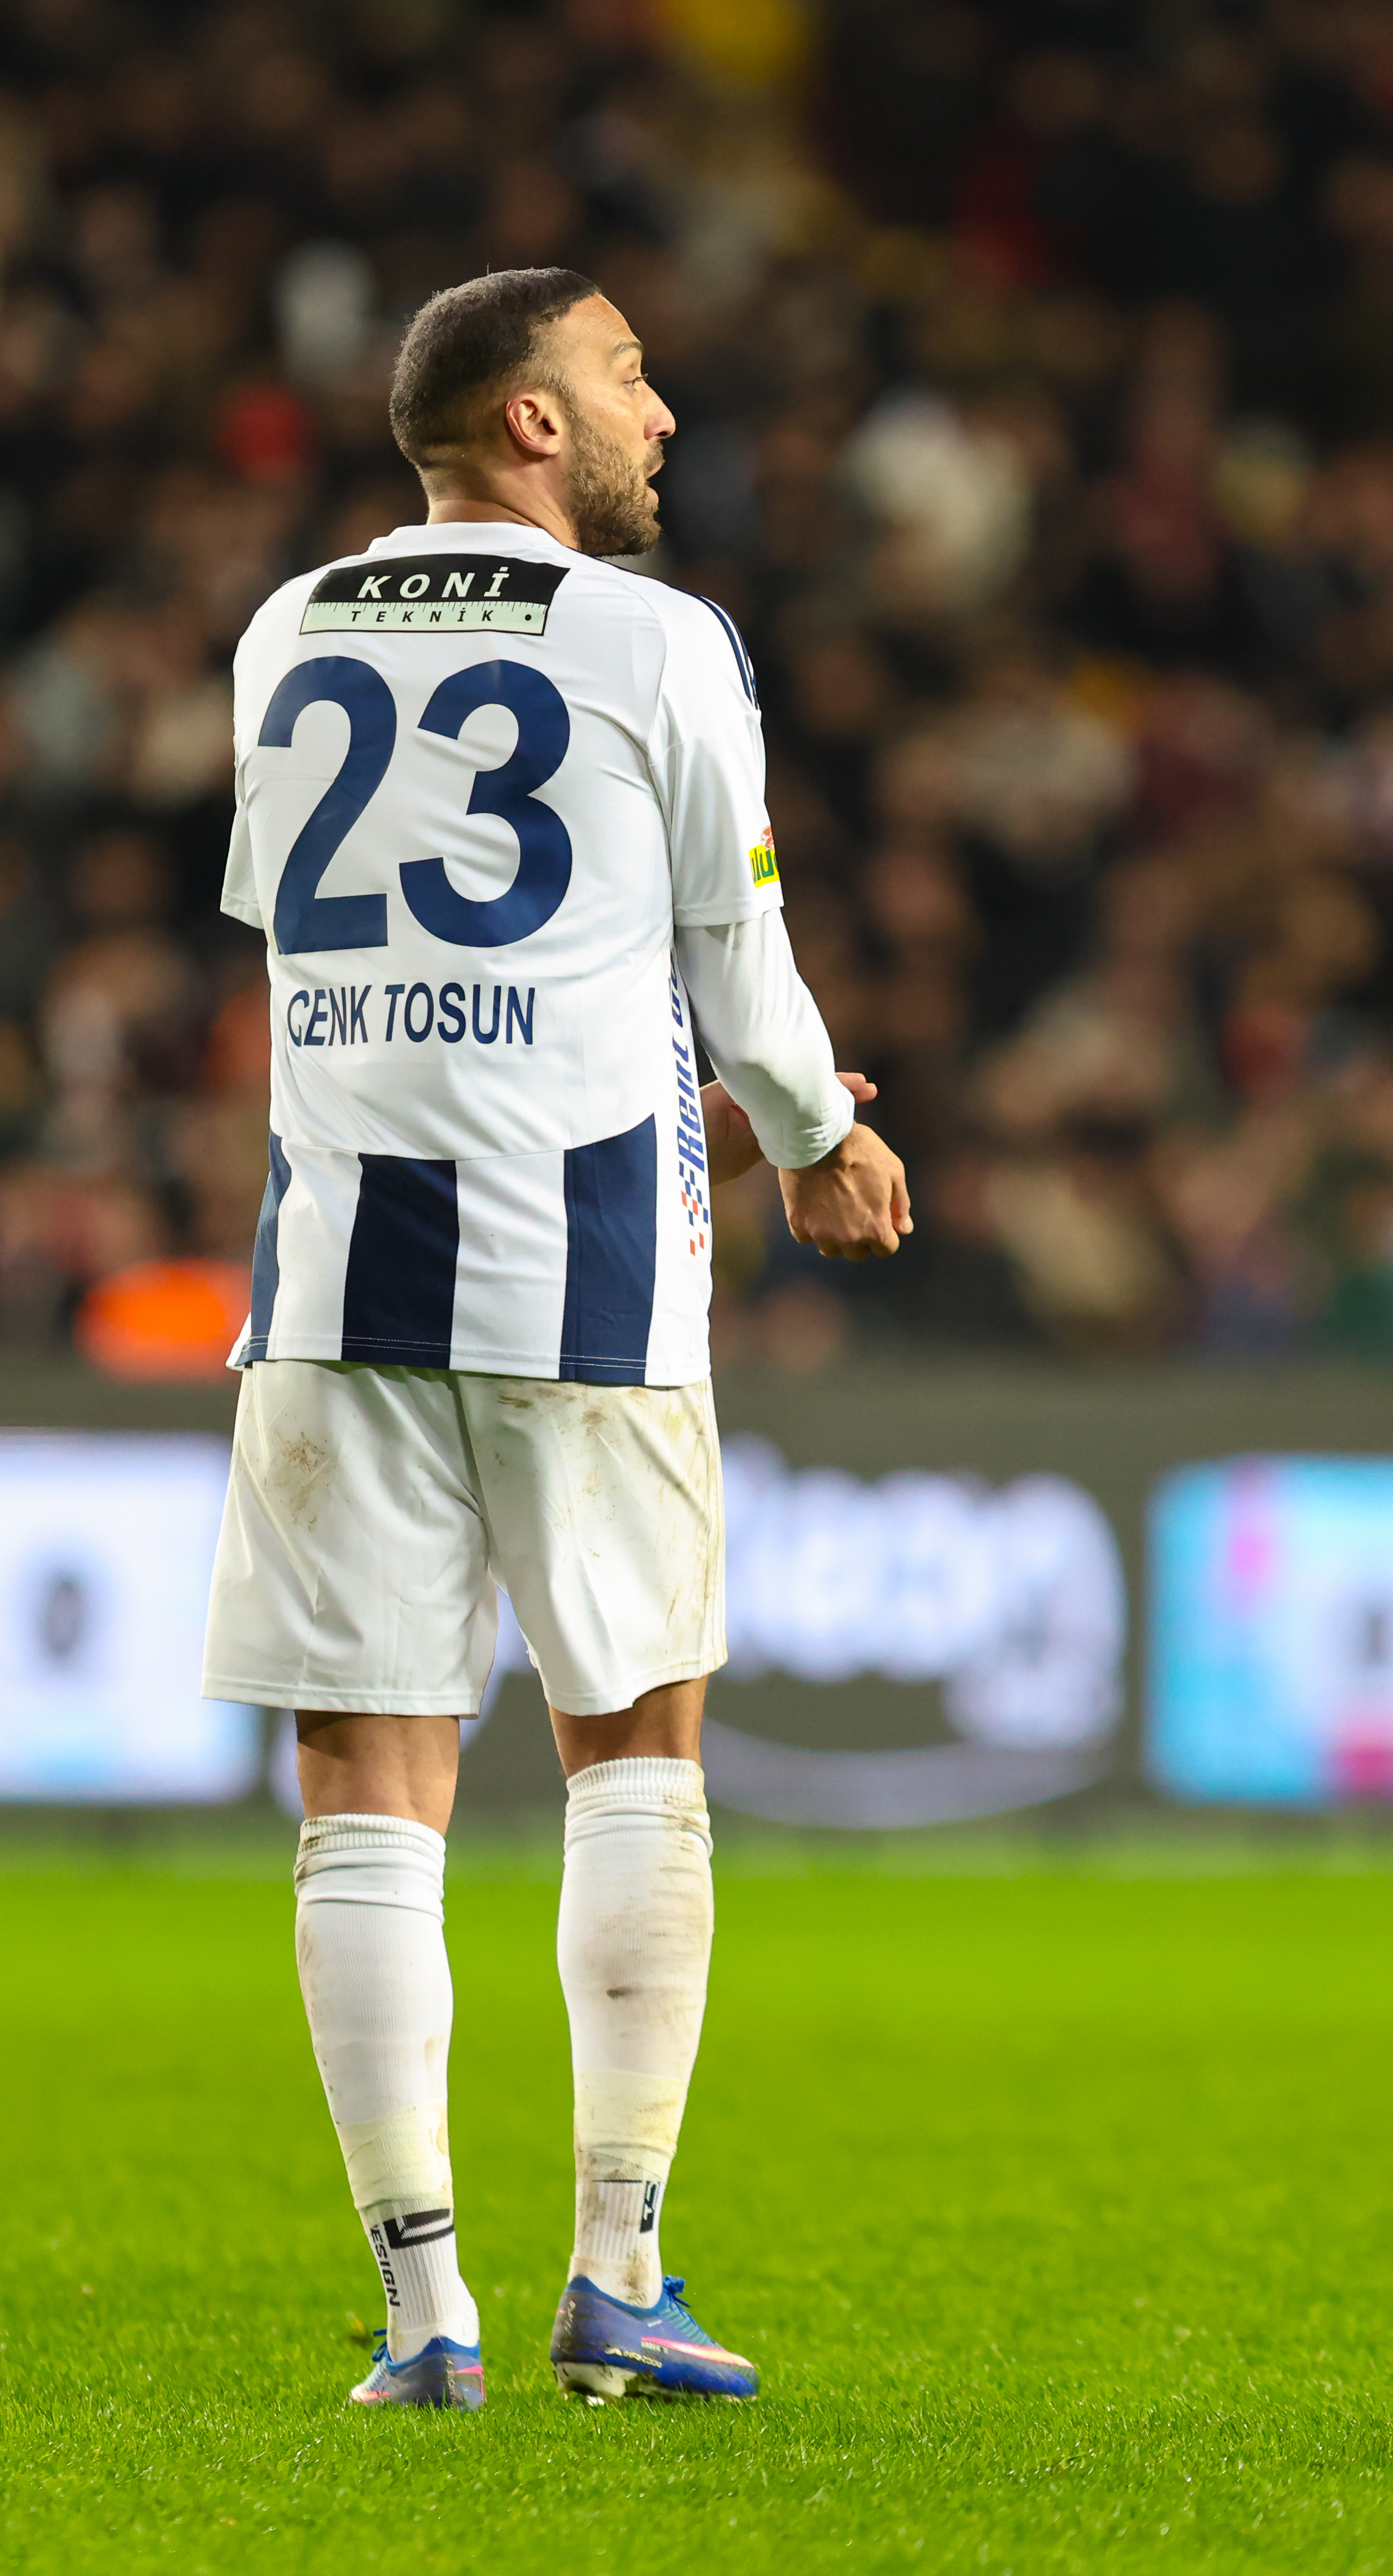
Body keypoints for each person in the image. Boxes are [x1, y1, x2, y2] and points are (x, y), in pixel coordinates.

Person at [200, 267, 910, 2411]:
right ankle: (617, 2270)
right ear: (530, 421)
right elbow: (734, 953)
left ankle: (421, 2311)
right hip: (579, 1265)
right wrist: (819, 1139)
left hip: (333, 1271)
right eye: (624, 373)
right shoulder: (654, 638)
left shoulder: (285, 630)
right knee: (637, 1738)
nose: (659, 409)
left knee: (363, 1777)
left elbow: (320, 952)